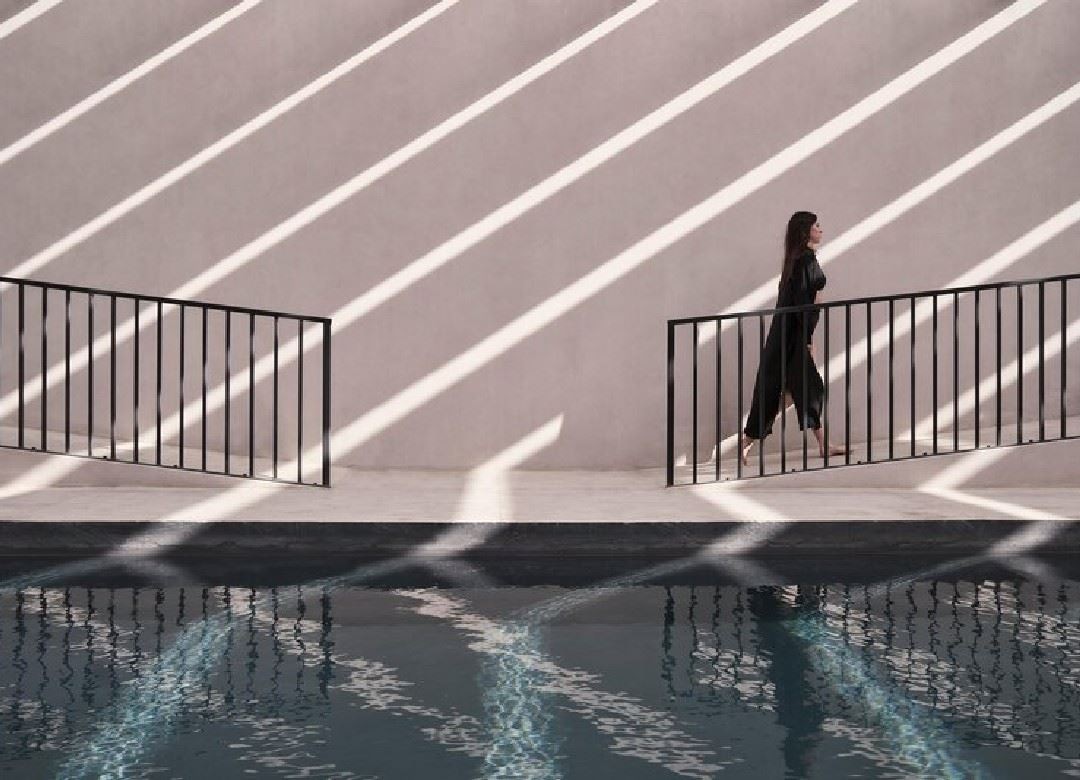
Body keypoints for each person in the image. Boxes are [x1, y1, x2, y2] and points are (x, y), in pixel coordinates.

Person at [739, 211, 845, 465]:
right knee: (803, 389)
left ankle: (820, 444)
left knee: (797, 390)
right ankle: (751, 438)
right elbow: (801, 305)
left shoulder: (797, 260)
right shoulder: (804, 261)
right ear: (805, 231)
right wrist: (807, 340)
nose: (821, 229)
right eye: (816, 225)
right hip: (793, 337)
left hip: (787, 334)